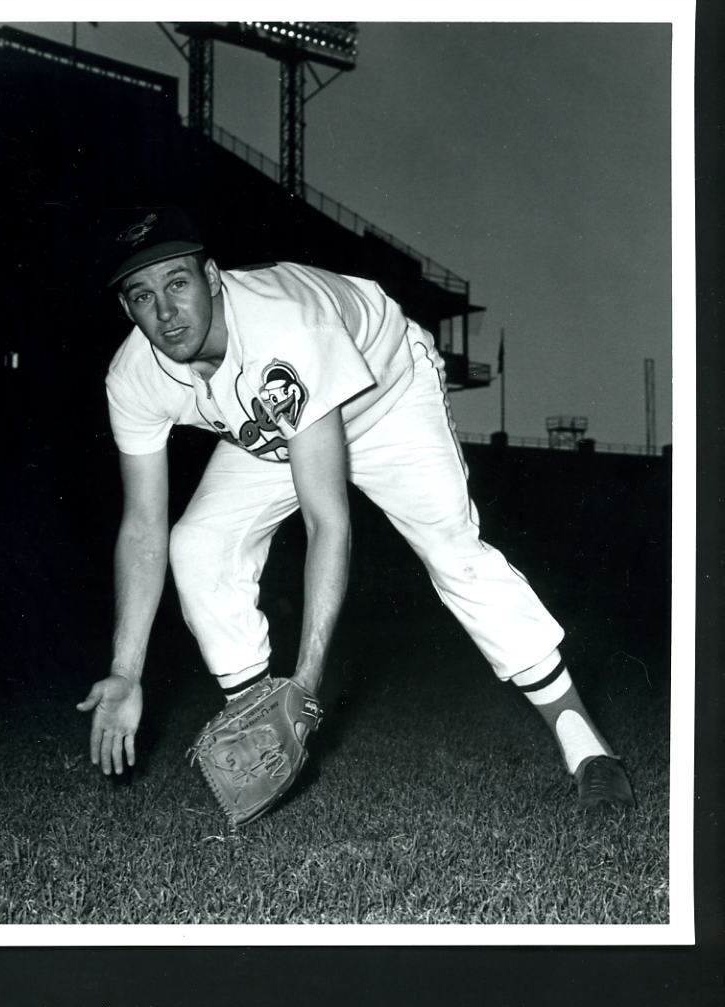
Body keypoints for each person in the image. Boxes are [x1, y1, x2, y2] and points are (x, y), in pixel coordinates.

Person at [77, 207, 634, 810]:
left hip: (385, 395)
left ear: (212, 276)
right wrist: (126, 669)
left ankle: (589, 752)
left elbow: (327, 520)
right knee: (196, 545)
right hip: (274, 427)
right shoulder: (133, 376)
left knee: (453, 551)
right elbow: (142, 529)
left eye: (177, 283)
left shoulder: (284, 325)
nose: (164, 311)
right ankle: (257, 719)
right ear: (126, 309)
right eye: (142, 295)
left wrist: (308, 684)